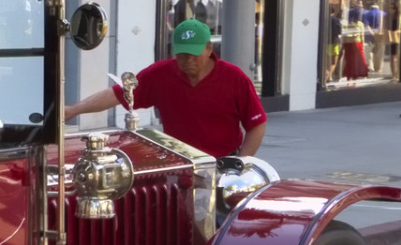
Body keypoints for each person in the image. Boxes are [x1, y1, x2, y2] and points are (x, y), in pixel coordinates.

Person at [63, 19, 267, 159]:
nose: (187, 60)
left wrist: (242, 162)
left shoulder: (234, 78)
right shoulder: (160, 74)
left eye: (193, 54)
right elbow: (117, 93)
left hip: (223, 161)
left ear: (208, 49)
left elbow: (256, 124)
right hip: (179, 160)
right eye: (182, 54)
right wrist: (73, 110)